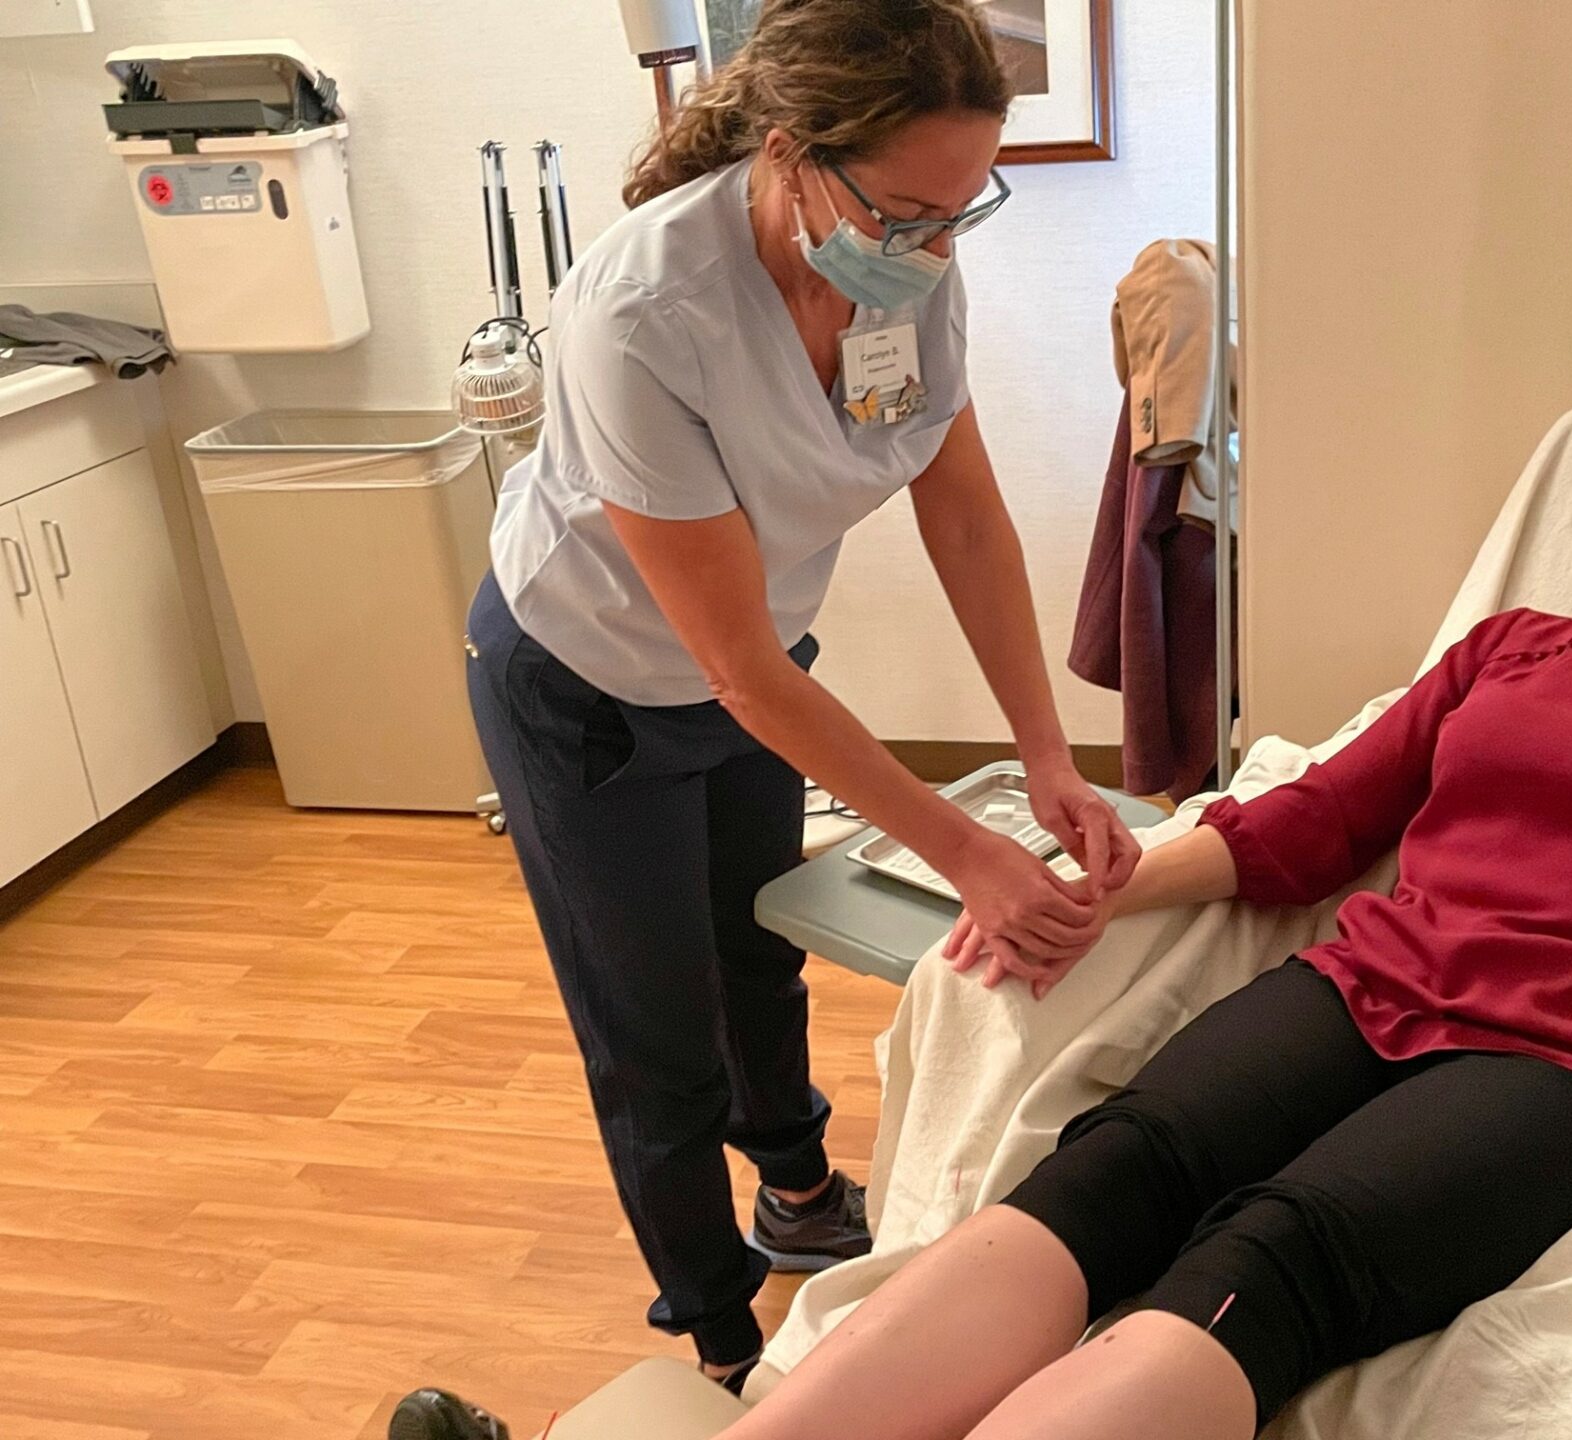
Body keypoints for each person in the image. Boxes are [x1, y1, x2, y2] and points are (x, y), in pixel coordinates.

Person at [712, 361, 1572, 1440]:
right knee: (1114, 1169)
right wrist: (1094, 894)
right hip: (1369, 982)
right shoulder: (1514, 650)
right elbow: (1321, 820)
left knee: (1274, 1258)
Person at [458, 0, 1138, 1401]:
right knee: (652, 1034)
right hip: (586, 687)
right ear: (788, 157)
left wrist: (1044, 763)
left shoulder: (903, 272)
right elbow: (734, 669)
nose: (935, 249)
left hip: (749, 667)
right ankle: (715, 1334)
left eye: (963, 211)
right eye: (904, 212)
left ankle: (795, 1188)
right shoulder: (649, 310)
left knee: (757, 950)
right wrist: (973, 857)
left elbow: (967, 524)